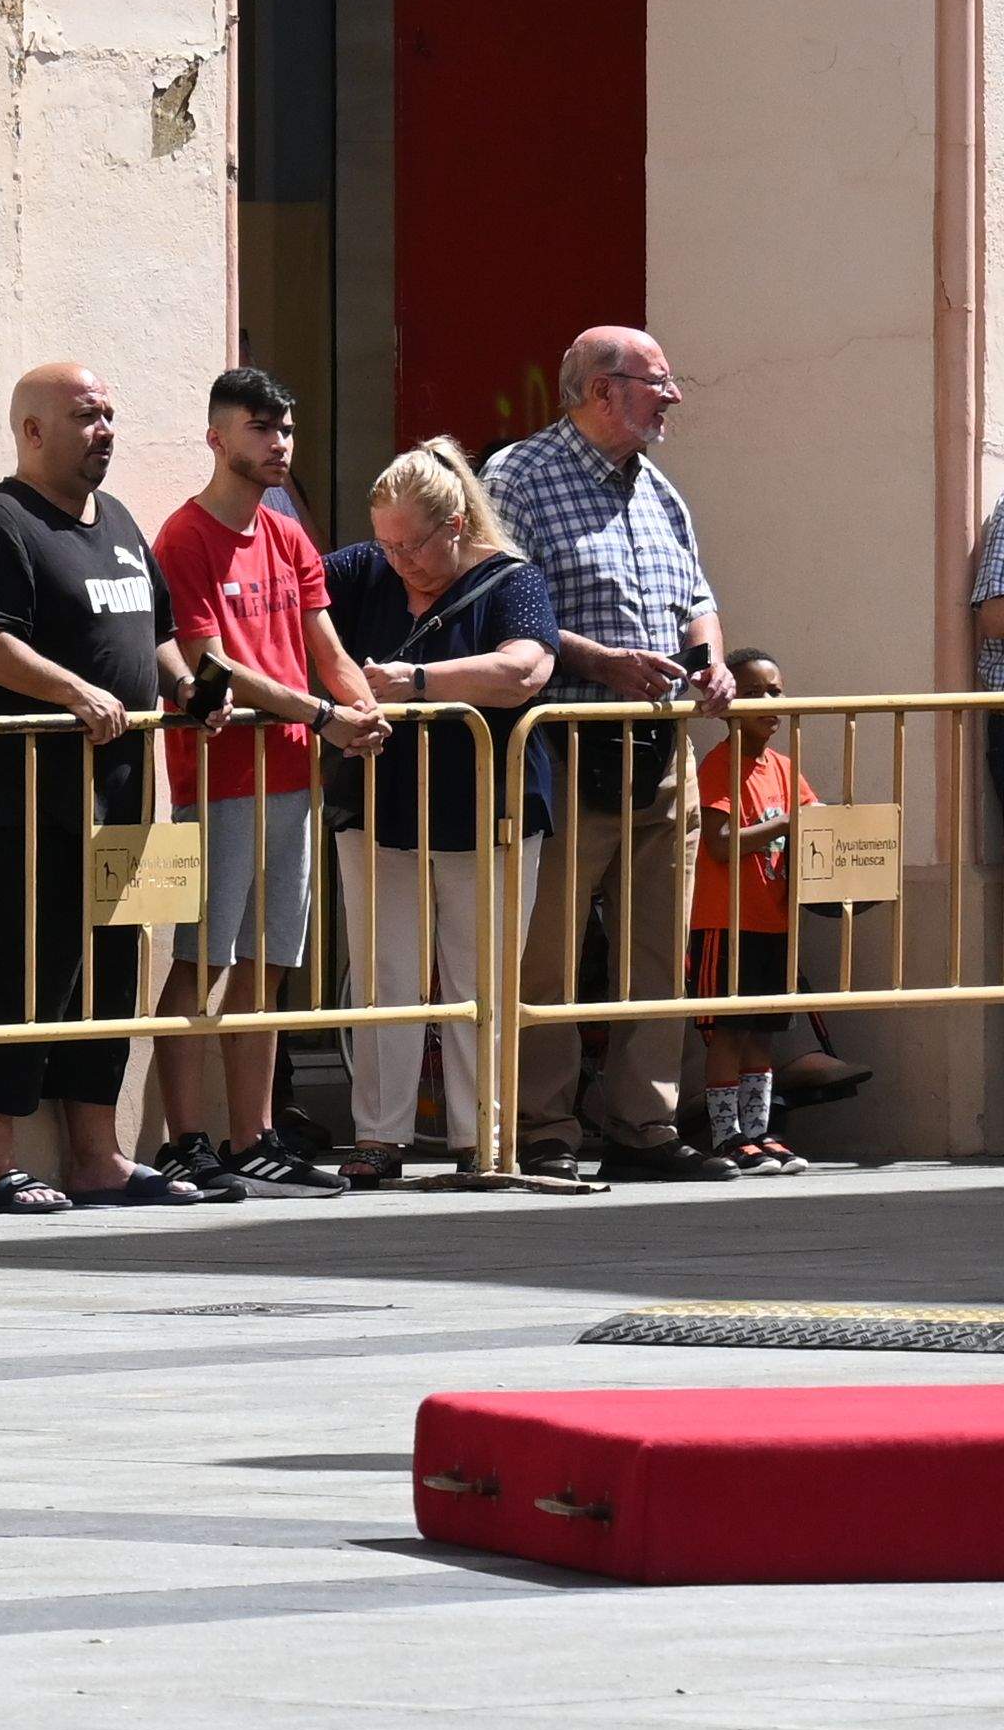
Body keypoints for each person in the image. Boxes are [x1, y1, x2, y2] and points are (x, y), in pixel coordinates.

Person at [0, 362, 213, 1212]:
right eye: (87, 416)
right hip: (26, 801)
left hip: (127, 791)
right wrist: (71, 691)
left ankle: (99, 1157)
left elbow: (154, 633)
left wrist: (187, 690)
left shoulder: (120, 522)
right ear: (32, 431)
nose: (106, 431)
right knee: (20, 973)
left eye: (110, 415)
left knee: (112, 971)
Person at [488, 326, 732, 1182]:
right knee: (547, 954)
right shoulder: (519, 477)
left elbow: (695, 595)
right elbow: (498, 605)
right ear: (600, 390)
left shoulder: (659, 490)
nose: (672, 397)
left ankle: (643, 1124)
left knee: (660, 949)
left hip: (661, 752)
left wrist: (711, 660)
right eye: (657, 382)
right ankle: (545, 1129)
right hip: (565, 748)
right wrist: (601, 661)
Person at [151, 367, 384, 1196]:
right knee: (198, 959)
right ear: (217, 437)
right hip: (214, 782)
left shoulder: (288, 535)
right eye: (261, 429)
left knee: (268, 963)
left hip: (292, 773)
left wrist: (361, 709)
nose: (279, 444)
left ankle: (253, 1136)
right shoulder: (184, 537)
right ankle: (185, 1139)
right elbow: (212, 661)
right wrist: (327, 713)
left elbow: (324, 644)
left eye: (285, 429)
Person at [321, 439, 559, 1183]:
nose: (398, 561)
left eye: (413, 544)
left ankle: (479, 1138)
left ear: (455, 523)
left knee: (478, 977)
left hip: (489, 805)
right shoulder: (363, 569)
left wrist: (414, 679)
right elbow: (295, 603)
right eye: (387, 543)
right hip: (378, 799)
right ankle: (378, 1137)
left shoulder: (511, 580)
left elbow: (525, 667)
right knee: (382, 971)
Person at [689, 653, 837, 1168]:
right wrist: (784, 825)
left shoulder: (785, 767)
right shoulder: (718, 764)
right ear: (729, 705)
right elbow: (720, 843)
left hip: (773, 919)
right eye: (755, 693)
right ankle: (726, 1133)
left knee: (763, 1030)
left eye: (776, 691)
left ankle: (759, 1129)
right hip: (726, 921)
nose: (770, 703)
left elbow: (812, 823)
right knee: (729, 1030)